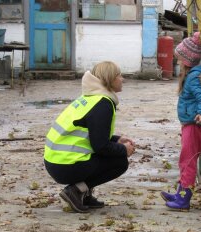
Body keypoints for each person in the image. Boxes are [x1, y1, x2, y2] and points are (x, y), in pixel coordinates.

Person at [44, 61, 135, 213]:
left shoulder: (91, 98)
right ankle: (75, 191)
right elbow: (100, 146)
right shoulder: (103, 104)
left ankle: (84, 195)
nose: (122, 79)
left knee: (104, 156)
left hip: (55, 161)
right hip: (66, 165)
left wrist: (116, 139)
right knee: (119, 162)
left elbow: (90, 132)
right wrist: (123, 149)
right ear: (110, 79)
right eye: (119, 75)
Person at [160, 32, 201, 211]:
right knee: (185, 160)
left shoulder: (193, 78)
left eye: (180, 59)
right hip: (189, 124)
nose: (178, 62)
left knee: (188, 161)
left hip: (194, 125)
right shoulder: (192, 76)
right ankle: (181, 192)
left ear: (187, 60)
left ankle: (183, 199)